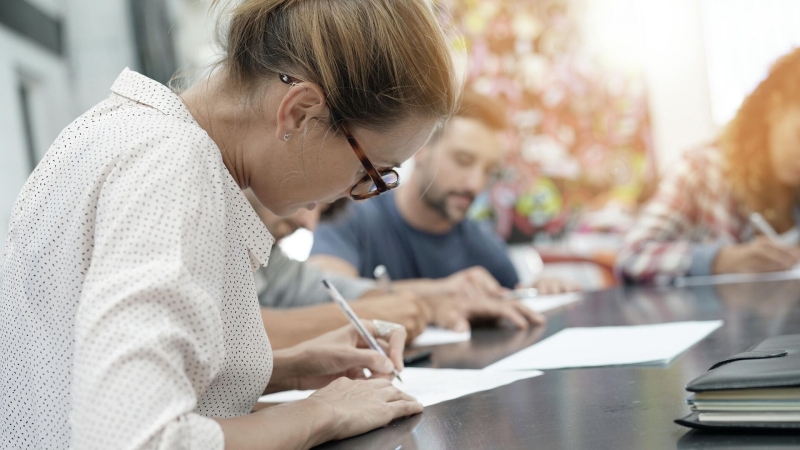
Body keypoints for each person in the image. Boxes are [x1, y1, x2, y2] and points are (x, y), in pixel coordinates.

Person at [0, 0, 460, 448]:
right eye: (371, 171)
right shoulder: (172, 164)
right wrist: (322, 412)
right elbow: (137, 438)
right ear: (299, 111)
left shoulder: (119, 129)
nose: (357, 194)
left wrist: (287, 367)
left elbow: (67, 372)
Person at [309, 90, 578, 304]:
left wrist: (542, 291)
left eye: (488, 171)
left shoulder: (484, 247)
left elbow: (514, 300)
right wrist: (443, 292)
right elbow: (320, 293)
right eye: (463, 160)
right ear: (421, 148)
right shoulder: (351, 216)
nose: (475, 183)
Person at [246, 190, 548, 346]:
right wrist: (385, 314)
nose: (308, 223)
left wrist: (432, 301)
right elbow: (226, 337)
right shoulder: (205, 218)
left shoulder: (267, 258)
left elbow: (329, 288)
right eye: (306, 197)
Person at [616, 48, 800, 284]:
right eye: (799, 135)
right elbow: (632, 255)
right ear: (774, 110)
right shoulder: (700, 170)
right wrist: (719, 260)